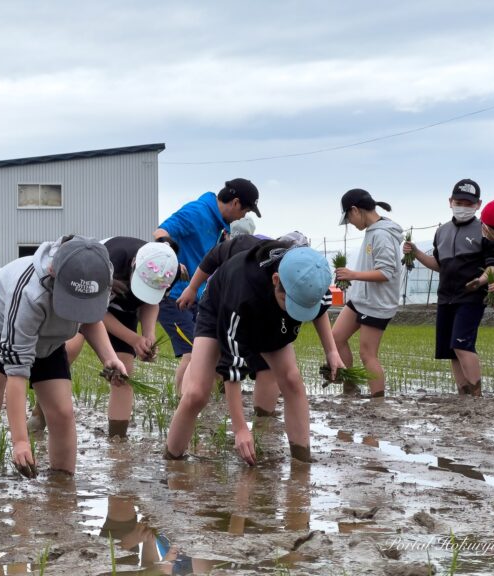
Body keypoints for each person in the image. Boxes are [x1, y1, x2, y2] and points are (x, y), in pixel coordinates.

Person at [165, 242, 340, 464]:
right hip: (221, 308)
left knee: (292, 379)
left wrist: (331, 351)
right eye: (292, 303)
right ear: (276, 280)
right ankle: (171, 461)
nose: (297, 312)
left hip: (272, 316)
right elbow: (232, 368)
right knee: (197, 393)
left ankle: (302, 461)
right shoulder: (244, 289)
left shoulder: (314, 275)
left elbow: (321, 309)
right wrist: (240, 429)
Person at [0, 235, 128, 477]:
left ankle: (62, 484)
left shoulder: (95, 278)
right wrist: (20, 441)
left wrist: (109, 357)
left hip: (50, 341)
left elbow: (90, 319)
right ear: (53, 273)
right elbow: (17, 374)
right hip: (0, 330)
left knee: (62, 411)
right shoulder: (31, 292)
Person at [154, 179, 261, 396]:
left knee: (209, 350)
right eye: (246, 211)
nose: (243, 217)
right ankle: (182, 401)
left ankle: (207, 397)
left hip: (195, 298)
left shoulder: (221, 224)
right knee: (193, 352)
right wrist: (171, 257)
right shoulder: (196, 212)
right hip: (172, 297)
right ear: (236, 203)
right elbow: (160, 232)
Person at [63, 238, 179, 438]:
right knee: (68, 350)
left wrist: (148, 336)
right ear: (134, 263)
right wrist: (134, 339)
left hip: (124, 310)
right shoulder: (110, 260)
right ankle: (45, 409)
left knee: (123, 376)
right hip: (87, 301)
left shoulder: (168, 271)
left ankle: (117, 440)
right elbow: (95, 314)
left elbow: (151, 303)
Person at [403, 179, 494, 396]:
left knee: (462, 344)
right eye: (459, 202)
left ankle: (476, 394)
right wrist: (417, 252)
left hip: (471, 297)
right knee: (451, 351)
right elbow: (439, 265)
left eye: (469, 203)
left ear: (478, 204)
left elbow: (493, 265)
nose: (463, 207)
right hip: (446, 297)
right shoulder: (442, 232)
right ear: (450, 201)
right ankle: (463, 393)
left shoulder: (485, 231)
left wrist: (481, 281)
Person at [332, 189, 403, 397]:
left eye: (349, 218)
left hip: (377, 303)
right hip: (361, 298)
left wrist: (353, 274)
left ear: (355, 210)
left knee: (368, 354)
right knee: (336, 337)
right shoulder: (373, 230)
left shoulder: (382, 234)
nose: (351, 224)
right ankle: (351, 386)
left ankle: (377, 399)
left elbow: (386, 272)